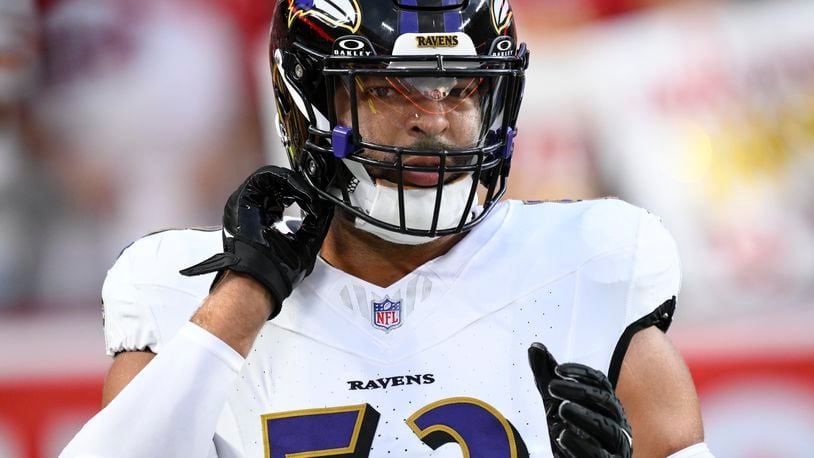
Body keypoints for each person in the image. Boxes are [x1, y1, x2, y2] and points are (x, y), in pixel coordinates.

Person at [62, 0, 712, 456]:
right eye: (389, 90)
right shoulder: (181, 291)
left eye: (460, 89)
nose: (433, 120)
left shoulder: (583, 266)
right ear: (309, 100)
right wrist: (245, 293)